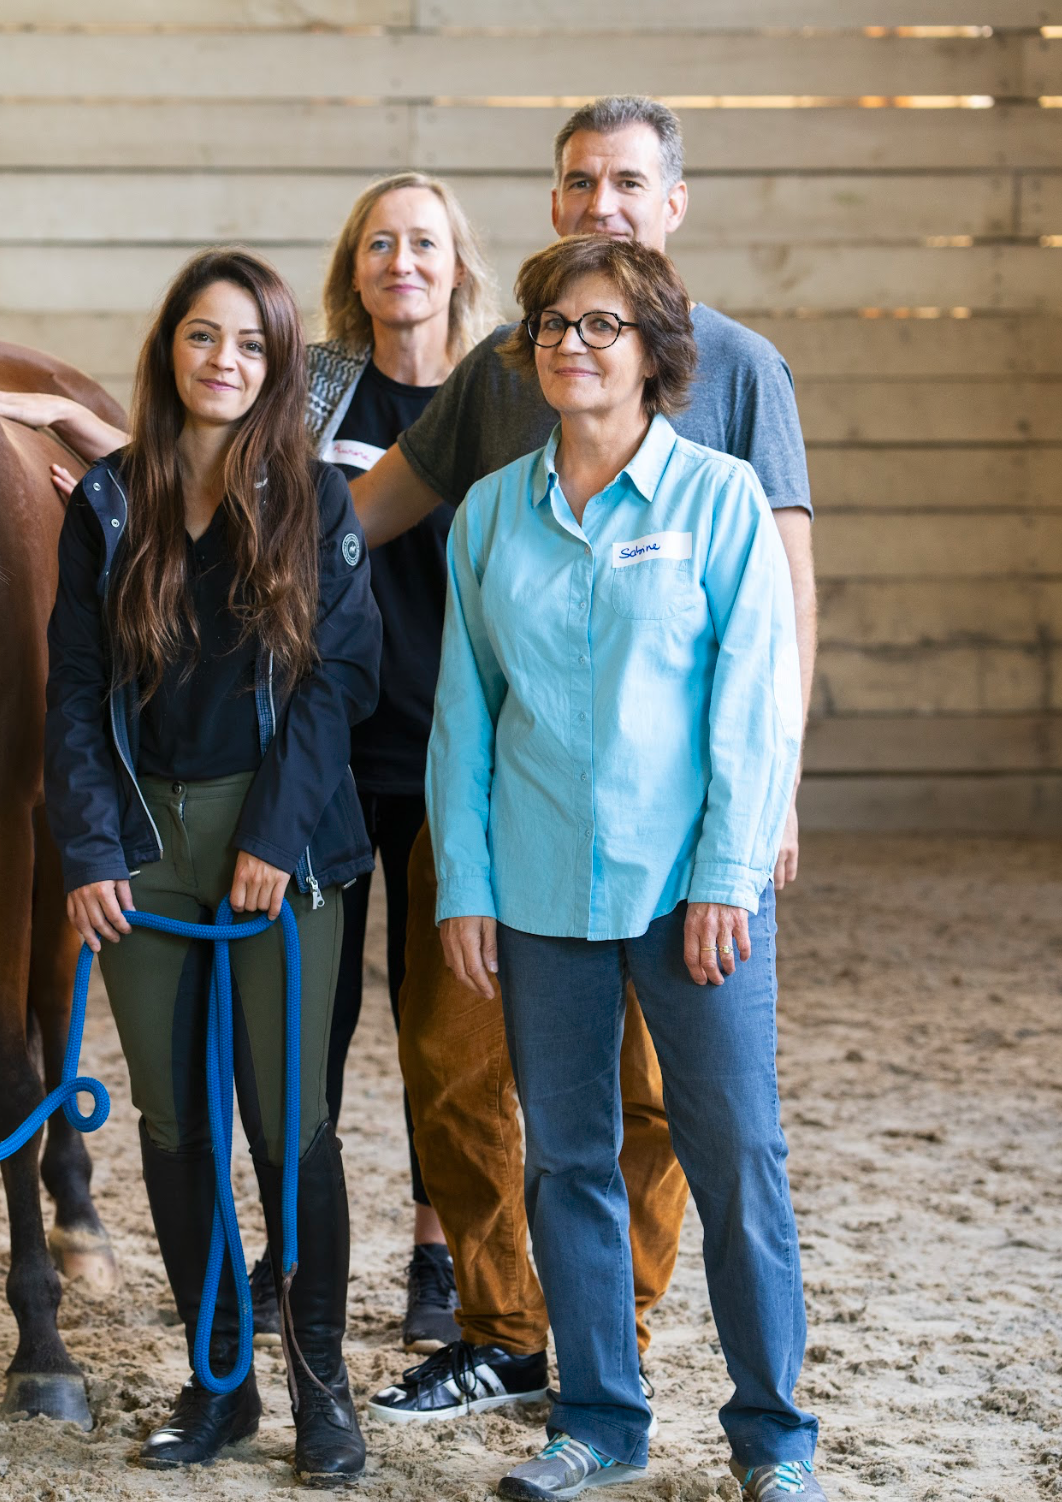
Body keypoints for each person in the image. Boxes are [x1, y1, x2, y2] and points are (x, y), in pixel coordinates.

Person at [350, 96, 821, 1429]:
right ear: (552, 206)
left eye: (627, 181)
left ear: (672, 203)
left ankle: (652, 1341)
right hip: (524, 819)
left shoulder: (739, 380)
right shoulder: (501, 377)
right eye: (577, 181)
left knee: (681, 1110)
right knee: (485, 1077)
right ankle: (522, 1342)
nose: (601, 203)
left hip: (683, 832)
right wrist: (198, 533)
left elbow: (774, 615)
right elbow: (377, 519)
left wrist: (765, 802)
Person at [0, 172, 495, 1355]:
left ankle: (428, 1257)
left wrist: (275, 825)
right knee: (243, 1088)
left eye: (424, 242)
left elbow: (332, 643)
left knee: (432, 1024)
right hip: (297, 775)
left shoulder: (487, 390)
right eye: (382, 241)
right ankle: (227, 1352)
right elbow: (82, 668)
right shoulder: (279, 407)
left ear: (456, 260)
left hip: (423, 739)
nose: (402, 260)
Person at [44, 247, 381, 1487]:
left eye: (248, 342)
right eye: (202, 335)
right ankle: (219, 1377)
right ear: (168, 349)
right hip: (141, 847)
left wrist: (273, 836)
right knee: (175, 1122)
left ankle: (322, 1386)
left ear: (279, 361)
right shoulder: (109, 502)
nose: (222, 360)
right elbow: (72, 689)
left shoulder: (315, 503)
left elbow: (340, 681)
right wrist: (88, 846)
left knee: (291, 1125)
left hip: (277, 846)